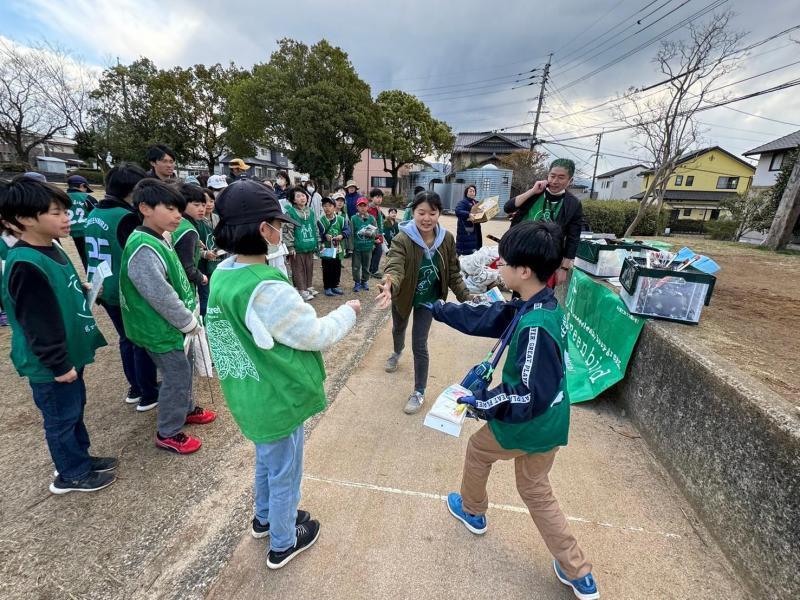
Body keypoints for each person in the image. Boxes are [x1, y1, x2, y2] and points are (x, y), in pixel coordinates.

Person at [428, 221, 600, 600]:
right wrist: (441, 310)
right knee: (537, 491)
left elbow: (524, 395)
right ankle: (578, 572)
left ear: (524, 271)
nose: (497, 268)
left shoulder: (535, 326)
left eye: (503, 262)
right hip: (551, 423)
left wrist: (481, 403)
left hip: (529, 424)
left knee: (477, 450)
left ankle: (472, 511)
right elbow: (488, 317)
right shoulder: (541, 305)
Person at [205, 179, 360, 569]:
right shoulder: (266, 289)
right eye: (277, 224)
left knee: (267, 461)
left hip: (247, 393)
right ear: (263, 230)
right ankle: (283, 541)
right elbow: (315, 334)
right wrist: (350, 312)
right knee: (286, 472)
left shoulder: (224, 272)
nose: (281, 232)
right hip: (277, 397)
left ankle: (265, 519)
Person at [0, 176, 116, 494]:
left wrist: (82, 288)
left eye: (64, 210)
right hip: (51, 364)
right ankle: (71, 473)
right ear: (22, 220)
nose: (67, 218)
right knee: (61, 417)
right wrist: (58, 364)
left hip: (68, 353)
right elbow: (36, 321)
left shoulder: (50, 247)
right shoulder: (26, 263)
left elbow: (57, 291)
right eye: (55, 212)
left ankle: (81, 458)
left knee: (75, 408)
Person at [119, 179, 216, 455]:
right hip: (160, 327)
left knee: (184, 368)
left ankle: (185, 409)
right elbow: (159, 295)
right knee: (176, 375)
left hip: (175, 325)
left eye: (179, 209)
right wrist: (188, 321)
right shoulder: (143, 247)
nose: (178, 215)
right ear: (145, 208)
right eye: (171, 209)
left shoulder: (161, 236)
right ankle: (168, 431)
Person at [376, 191, 471, 414]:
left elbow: (454, 273)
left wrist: (467, 296)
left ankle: (419, 391)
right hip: (403, 295)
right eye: (421, 212)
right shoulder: (403, 238)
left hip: (428, 299)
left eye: (432, 213)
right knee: (398, 328)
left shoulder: (446, 239)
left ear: (439, 213)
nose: (426, 218)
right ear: (413, 212)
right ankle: (397, 352)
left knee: (420, 344)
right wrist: (389, 283)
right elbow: (395, 265)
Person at [84, 163, 160, 411]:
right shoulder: (125, 217)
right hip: (124, 289)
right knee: (141, 340)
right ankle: (148, 392)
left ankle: (136, 388)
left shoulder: (94, 213)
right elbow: (138, 257)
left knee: (126, 339)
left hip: (102, 287)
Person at [503, 158, 583, 287]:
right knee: (519, 293)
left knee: (540, 295)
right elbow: (508, 207)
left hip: (548, 259)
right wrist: (532, 191)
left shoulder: (573, 204)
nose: (555, 181)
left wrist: (564, 268)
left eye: (561, 177)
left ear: (570, 181)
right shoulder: (536, 192)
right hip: (522, 251)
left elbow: (573, 238)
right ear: (548, 175)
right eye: (552, 176)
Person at [284, 186, 319, 301]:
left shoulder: (311, 212)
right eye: (298, 196)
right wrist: (290, 246)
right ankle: (301, 290)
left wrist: (317, 241)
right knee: (298, 269)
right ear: (293, 200)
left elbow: (314, 228)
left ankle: (308, 286)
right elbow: (287, 229)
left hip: (309, 244)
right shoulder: (290, 213)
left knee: (309, 267)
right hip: (297, 247)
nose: (302, 198)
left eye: (303, 195)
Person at [174, 184, 209, 297]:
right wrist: (201, 277)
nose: (201, 209)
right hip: (181, 287)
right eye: (196, 205)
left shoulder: (178, 222)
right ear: (183, 204)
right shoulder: (188, 230)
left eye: (203, 205)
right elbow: (187, 267)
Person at [196, 188, 221, 317]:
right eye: (205, 202)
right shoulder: (196, 221)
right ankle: (206, 320)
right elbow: (195, 247)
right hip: (203, 264)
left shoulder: (217, 218)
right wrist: (205, 253)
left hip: (218, 260)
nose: (209, 204)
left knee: (217, 292)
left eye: (212, 201)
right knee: (205, 294)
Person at [65, 175, 99, 271]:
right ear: (82, 185)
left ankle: (88, 273)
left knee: (83, 255)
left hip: (73, 232)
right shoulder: (87, 198)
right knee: (94, 256)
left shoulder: (62, 198)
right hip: (87, 231)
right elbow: (97, 212)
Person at [317, 197, 347, 296]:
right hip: (325, 248)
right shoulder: (320, 221)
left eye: (330, 206)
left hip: (337, 248)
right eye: (325, 206)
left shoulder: (341, 219)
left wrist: (342, 235)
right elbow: (318, 234)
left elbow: (347, 231)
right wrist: (324, 236)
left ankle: (335, 285)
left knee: (336, 267)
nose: (327, 208)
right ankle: (327, 287)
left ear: (334, 207)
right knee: (326, 267)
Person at [350, 198, 377, 293]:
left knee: (366, 265)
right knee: (356, 266)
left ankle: (364, 281)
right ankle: (357, 282)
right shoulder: (353, 218)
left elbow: (375, 232)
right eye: (360, 206)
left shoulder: (371, 218)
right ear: (357, 207)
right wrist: (351, 247)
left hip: (368, 247)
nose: (362, 208)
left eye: (364, 205)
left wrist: (370, 234)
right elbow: (352, 233)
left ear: (368, 207)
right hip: (357, 247)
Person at [455, 184, 483, 256]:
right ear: (466, 192)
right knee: (466, 251)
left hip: (476, 229)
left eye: (474, 191)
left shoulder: (477, 203)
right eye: (470, 191)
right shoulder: (463, 202)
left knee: (475, 248)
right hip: (466, 230)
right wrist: (468, 214)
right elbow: (458, 211)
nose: (472, 192)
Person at [367, 188, 386, 279]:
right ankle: (373, 270)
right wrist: (374, 238)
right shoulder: (369, 209)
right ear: (372, 198)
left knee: (377, 252)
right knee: (377, 251)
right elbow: (368, 224)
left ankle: (372, 270)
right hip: (372, 235)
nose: (379, 199)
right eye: (377, 197)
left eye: (381, 197)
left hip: (378, 234)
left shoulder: (377, 208)